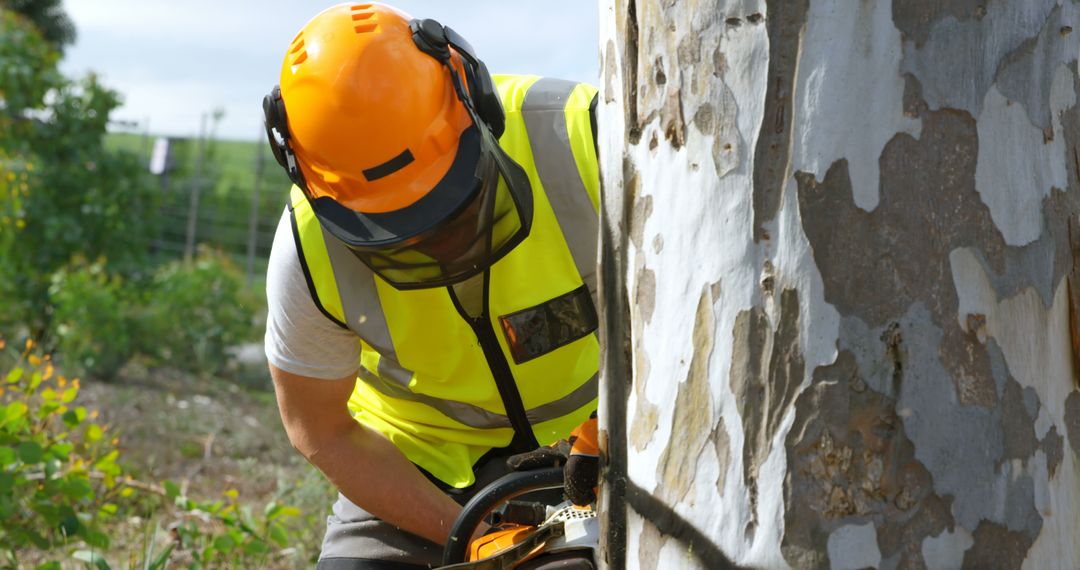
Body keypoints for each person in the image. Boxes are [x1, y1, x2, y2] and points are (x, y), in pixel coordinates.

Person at [261, 3, 601, 568]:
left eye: (449, 204)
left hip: (593, 448)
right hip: (413, 473)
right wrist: (472, 536)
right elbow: (320, 428)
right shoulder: (308, 250)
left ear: (478, 104)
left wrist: (607, 428)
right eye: (395, 232)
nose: (437, 242)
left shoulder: (585, 139)